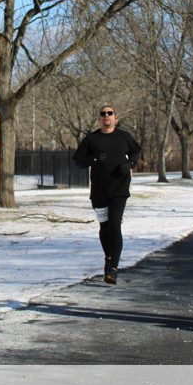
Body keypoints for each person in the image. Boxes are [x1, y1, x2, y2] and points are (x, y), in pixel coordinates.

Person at [73, 105, 141, 285]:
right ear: (99, 119)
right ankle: (108, 259)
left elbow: (136, 151)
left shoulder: (124, 137)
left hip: (119, 189)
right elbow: (78, 160)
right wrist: (94, 158)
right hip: (99, 191)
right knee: (104, 227)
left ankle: (113, 269)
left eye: (110, 113)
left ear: (115, 118)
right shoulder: (92, 139)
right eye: (103, 114)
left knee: (114, 225)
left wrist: (130, 164)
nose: (106, 116)